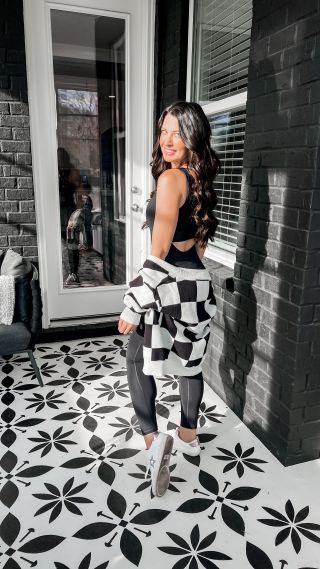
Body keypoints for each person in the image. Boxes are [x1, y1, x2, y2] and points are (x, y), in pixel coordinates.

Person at [118, 101, 220, 497]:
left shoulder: (172, 179)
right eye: (163, 131)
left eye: (178, 131)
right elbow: (199, 249)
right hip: (198, 284)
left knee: (135, 358)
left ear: (194, 134)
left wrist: (134, 303)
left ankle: (152, 442)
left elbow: (158, 251)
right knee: (190, 363)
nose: (167, 140)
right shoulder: (201, 179)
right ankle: (189, 437)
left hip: (168, 283)